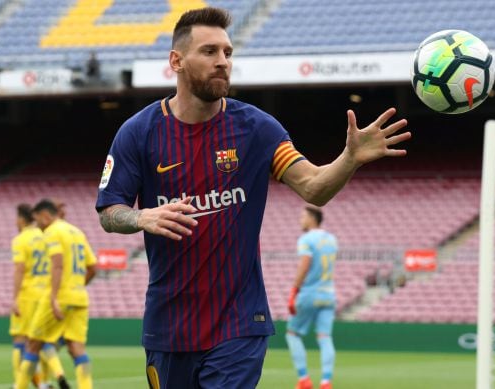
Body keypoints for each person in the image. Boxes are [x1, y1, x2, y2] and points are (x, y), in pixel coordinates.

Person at [95, 7, 409, 388]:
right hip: (169, 326)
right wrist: (141, 217)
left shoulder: (256, 129)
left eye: (227, 52)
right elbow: (109, 212)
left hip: (240, 324)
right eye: (209, 52)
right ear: (176, 61)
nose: (223, 62)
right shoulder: (138, 133)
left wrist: (349, 159)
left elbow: (313, 187)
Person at [15, 199, 97, 389]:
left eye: (37, 221)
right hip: (79, 298)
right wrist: (77, 287)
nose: (38, 227)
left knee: (33, 344)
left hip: (58, 298)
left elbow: (57, 264)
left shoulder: (52, 231)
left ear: (45, 216)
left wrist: (53, 297)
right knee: (77, 349)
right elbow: (93, 268)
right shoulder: (76, 231)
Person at [9, 204, 68, 389]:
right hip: (46, 294)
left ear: (21, 219)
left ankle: (19, 383)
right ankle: (51, 377)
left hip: (28, 295)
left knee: (20, 341)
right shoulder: (45, 235)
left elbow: (20, 269)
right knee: (42, 341)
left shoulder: (20, 239)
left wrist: (15, 298)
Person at [286, 207, 338, 389]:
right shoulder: (332, 239)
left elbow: (305, 265)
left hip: (309, 293)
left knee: (292, 334)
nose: (301, 220)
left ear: (312, 218)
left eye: (303, 216)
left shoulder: (306, 240)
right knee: (325, 337)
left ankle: (304, 379)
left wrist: (294, 291)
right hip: (329, 294)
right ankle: (326, 382)